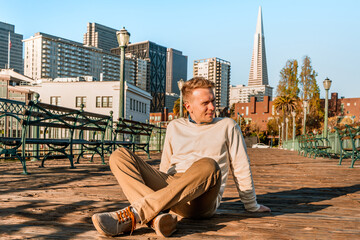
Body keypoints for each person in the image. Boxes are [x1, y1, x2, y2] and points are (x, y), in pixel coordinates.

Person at [92, 77, 271, 237]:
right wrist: (161, 196)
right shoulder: (174, 126)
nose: (212, 107)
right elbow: (165, 166)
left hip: (202, 197)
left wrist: (251, 205)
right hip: (173, 189)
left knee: (209, 165)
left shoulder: (227, 126)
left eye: (213, 101)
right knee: (119, 155)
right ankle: (158, 218)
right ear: (188, 106)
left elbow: (241, 166)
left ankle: (136, 213)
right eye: (205, 103)